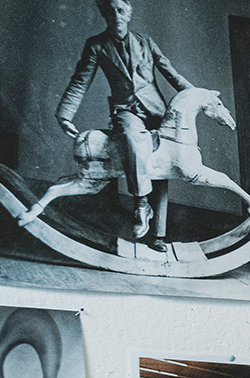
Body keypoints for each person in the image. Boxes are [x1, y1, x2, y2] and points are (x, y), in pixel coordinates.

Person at [56, 0, 196, 243]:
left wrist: (200, 96)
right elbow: (80, 80)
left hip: (156, 111)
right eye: (110, 11)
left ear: (129, 13)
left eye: (121, 10)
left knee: (162, 167)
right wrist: (65, 114)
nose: (116, 15)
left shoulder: (145, 41)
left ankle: (158, 235)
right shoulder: (97, 45)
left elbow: (170, 73)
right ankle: (141, 204)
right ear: (103, 14)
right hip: (126, 111)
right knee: (132, 138)